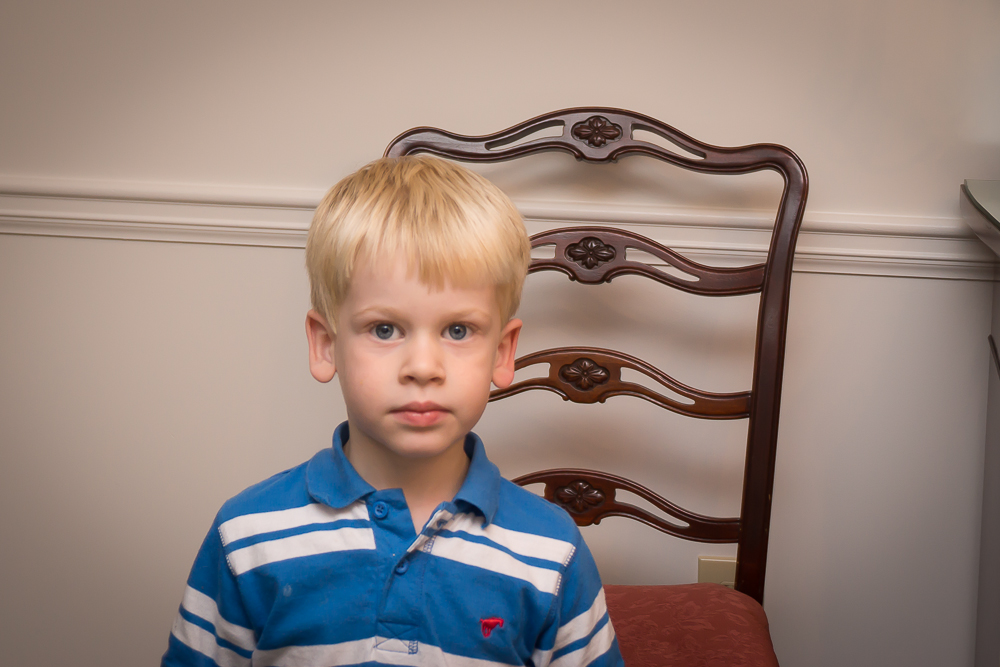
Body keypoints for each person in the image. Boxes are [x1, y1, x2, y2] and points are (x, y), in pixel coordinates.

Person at [161, 156, 624, 667]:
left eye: (458, 331)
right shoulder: (247, 535)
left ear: (502, 352)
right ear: (325, 344)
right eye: (385, 330)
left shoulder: (552, 552)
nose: (423, 367)